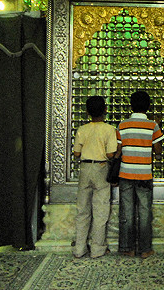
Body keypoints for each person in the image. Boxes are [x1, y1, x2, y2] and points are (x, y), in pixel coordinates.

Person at [117, 91, 164, 259]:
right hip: (144, 175)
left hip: (126, 173)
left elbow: (118, 151)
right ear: (148, 106)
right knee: (144, 213)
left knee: (127, 213)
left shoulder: (122, 125)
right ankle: (145, 249)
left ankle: (127, 248)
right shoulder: (153, 125)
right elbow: (158, 151)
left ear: (131, 105)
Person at [72, 95, 117, 259]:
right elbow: (111, 153)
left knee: (82, 211)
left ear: (87, 112)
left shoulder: (82, 130)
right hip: (101, 168)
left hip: (85, 168)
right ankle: (98, 249)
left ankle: (79, 248)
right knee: (100, 211)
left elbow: (76, 153)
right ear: (105, 110)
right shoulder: (109, 129)